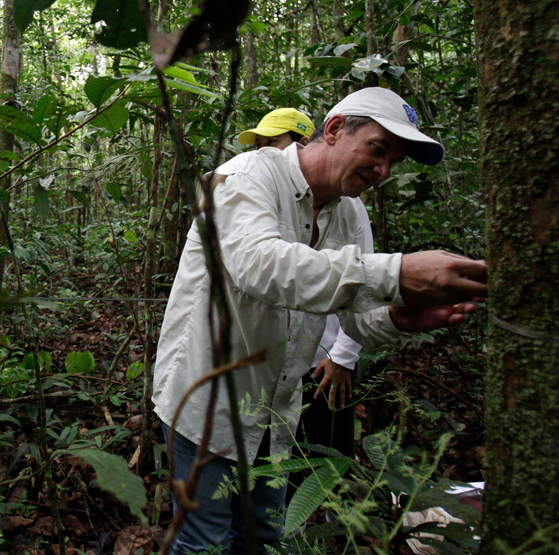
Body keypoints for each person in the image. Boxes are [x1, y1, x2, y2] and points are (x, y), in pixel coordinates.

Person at [152, 87, 487, 554]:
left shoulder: (350, 214)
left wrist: (402, 318)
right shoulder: (243, 177)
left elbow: (356, 322)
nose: (384, 171)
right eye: (378, 149)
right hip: (206, 403)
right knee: (203, 542)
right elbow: (260, 267)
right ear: (333, 130)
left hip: (275, 414)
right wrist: (396, 272)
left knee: (263, 538)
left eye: (396, 161)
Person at [238, 107, 366, 458]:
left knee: (328, 455)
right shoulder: (256, 189)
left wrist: (343, 357)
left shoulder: (348, 208)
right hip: (272, 365)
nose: (264, 152)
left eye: (273, 143)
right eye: (259, 144)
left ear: (304, 143)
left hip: (324, 361)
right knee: (281, 456)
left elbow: (361, 282)